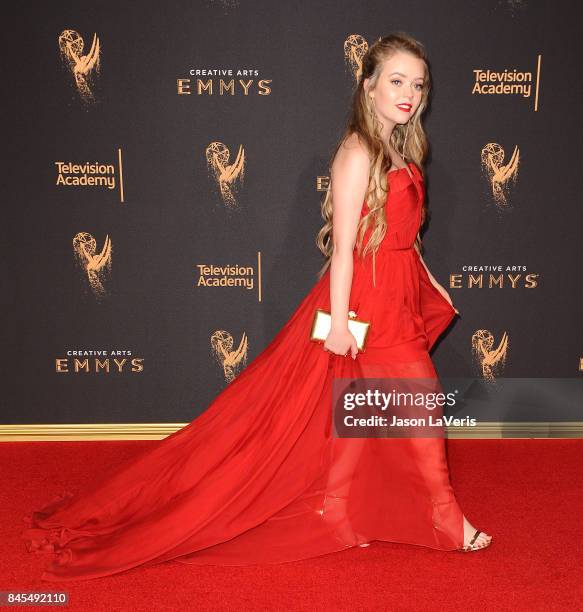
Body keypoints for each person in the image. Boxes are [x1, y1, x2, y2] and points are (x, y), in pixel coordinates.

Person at [21, 32, 492, 582]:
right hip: (364, 305)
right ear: (368, 85)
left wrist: (429, 279)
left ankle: (339, 514)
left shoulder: (403, 148)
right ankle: (448, 521)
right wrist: (339, 322)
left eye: (417, 85)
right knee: (419, 411)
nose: (408, 93)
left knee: (357, 418)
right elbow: (342, 248)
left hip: (397, 295)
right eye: (396, 81)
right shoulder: (358, 152)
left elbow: (399, 236)